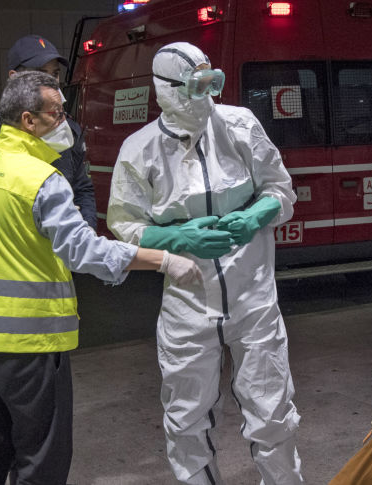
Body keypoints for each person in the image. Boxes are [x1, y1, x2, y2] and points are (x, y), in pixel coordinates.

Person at [0, 71, 201, 485]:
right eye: (56, 114)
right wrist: (161, 260)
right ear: (28, 120)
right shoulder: (42, 180)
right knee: (41, 459)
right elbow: (84, 251)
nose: (66, 122)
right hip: (31, 343)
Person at [107, 42, 304, 485]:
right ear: (165, 89)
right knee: (186, 419)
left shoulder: (239, 125)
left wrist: (256, 215)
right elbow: (124, 224)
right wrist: (176, 237)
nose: (207, 96)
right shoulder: (140, 149)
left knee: (273, 412)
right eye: (195, 87)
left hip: (253, 299)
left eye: (212, 84)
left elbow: (281, 190)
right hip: (188, 306)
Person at [0, 34, 97, 229]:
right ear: (14, 78)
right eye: (40, 75)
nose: (50, 82)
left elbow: (82, 190)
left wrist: (86, 231)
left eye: (54, 74)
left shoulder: (68, 130)